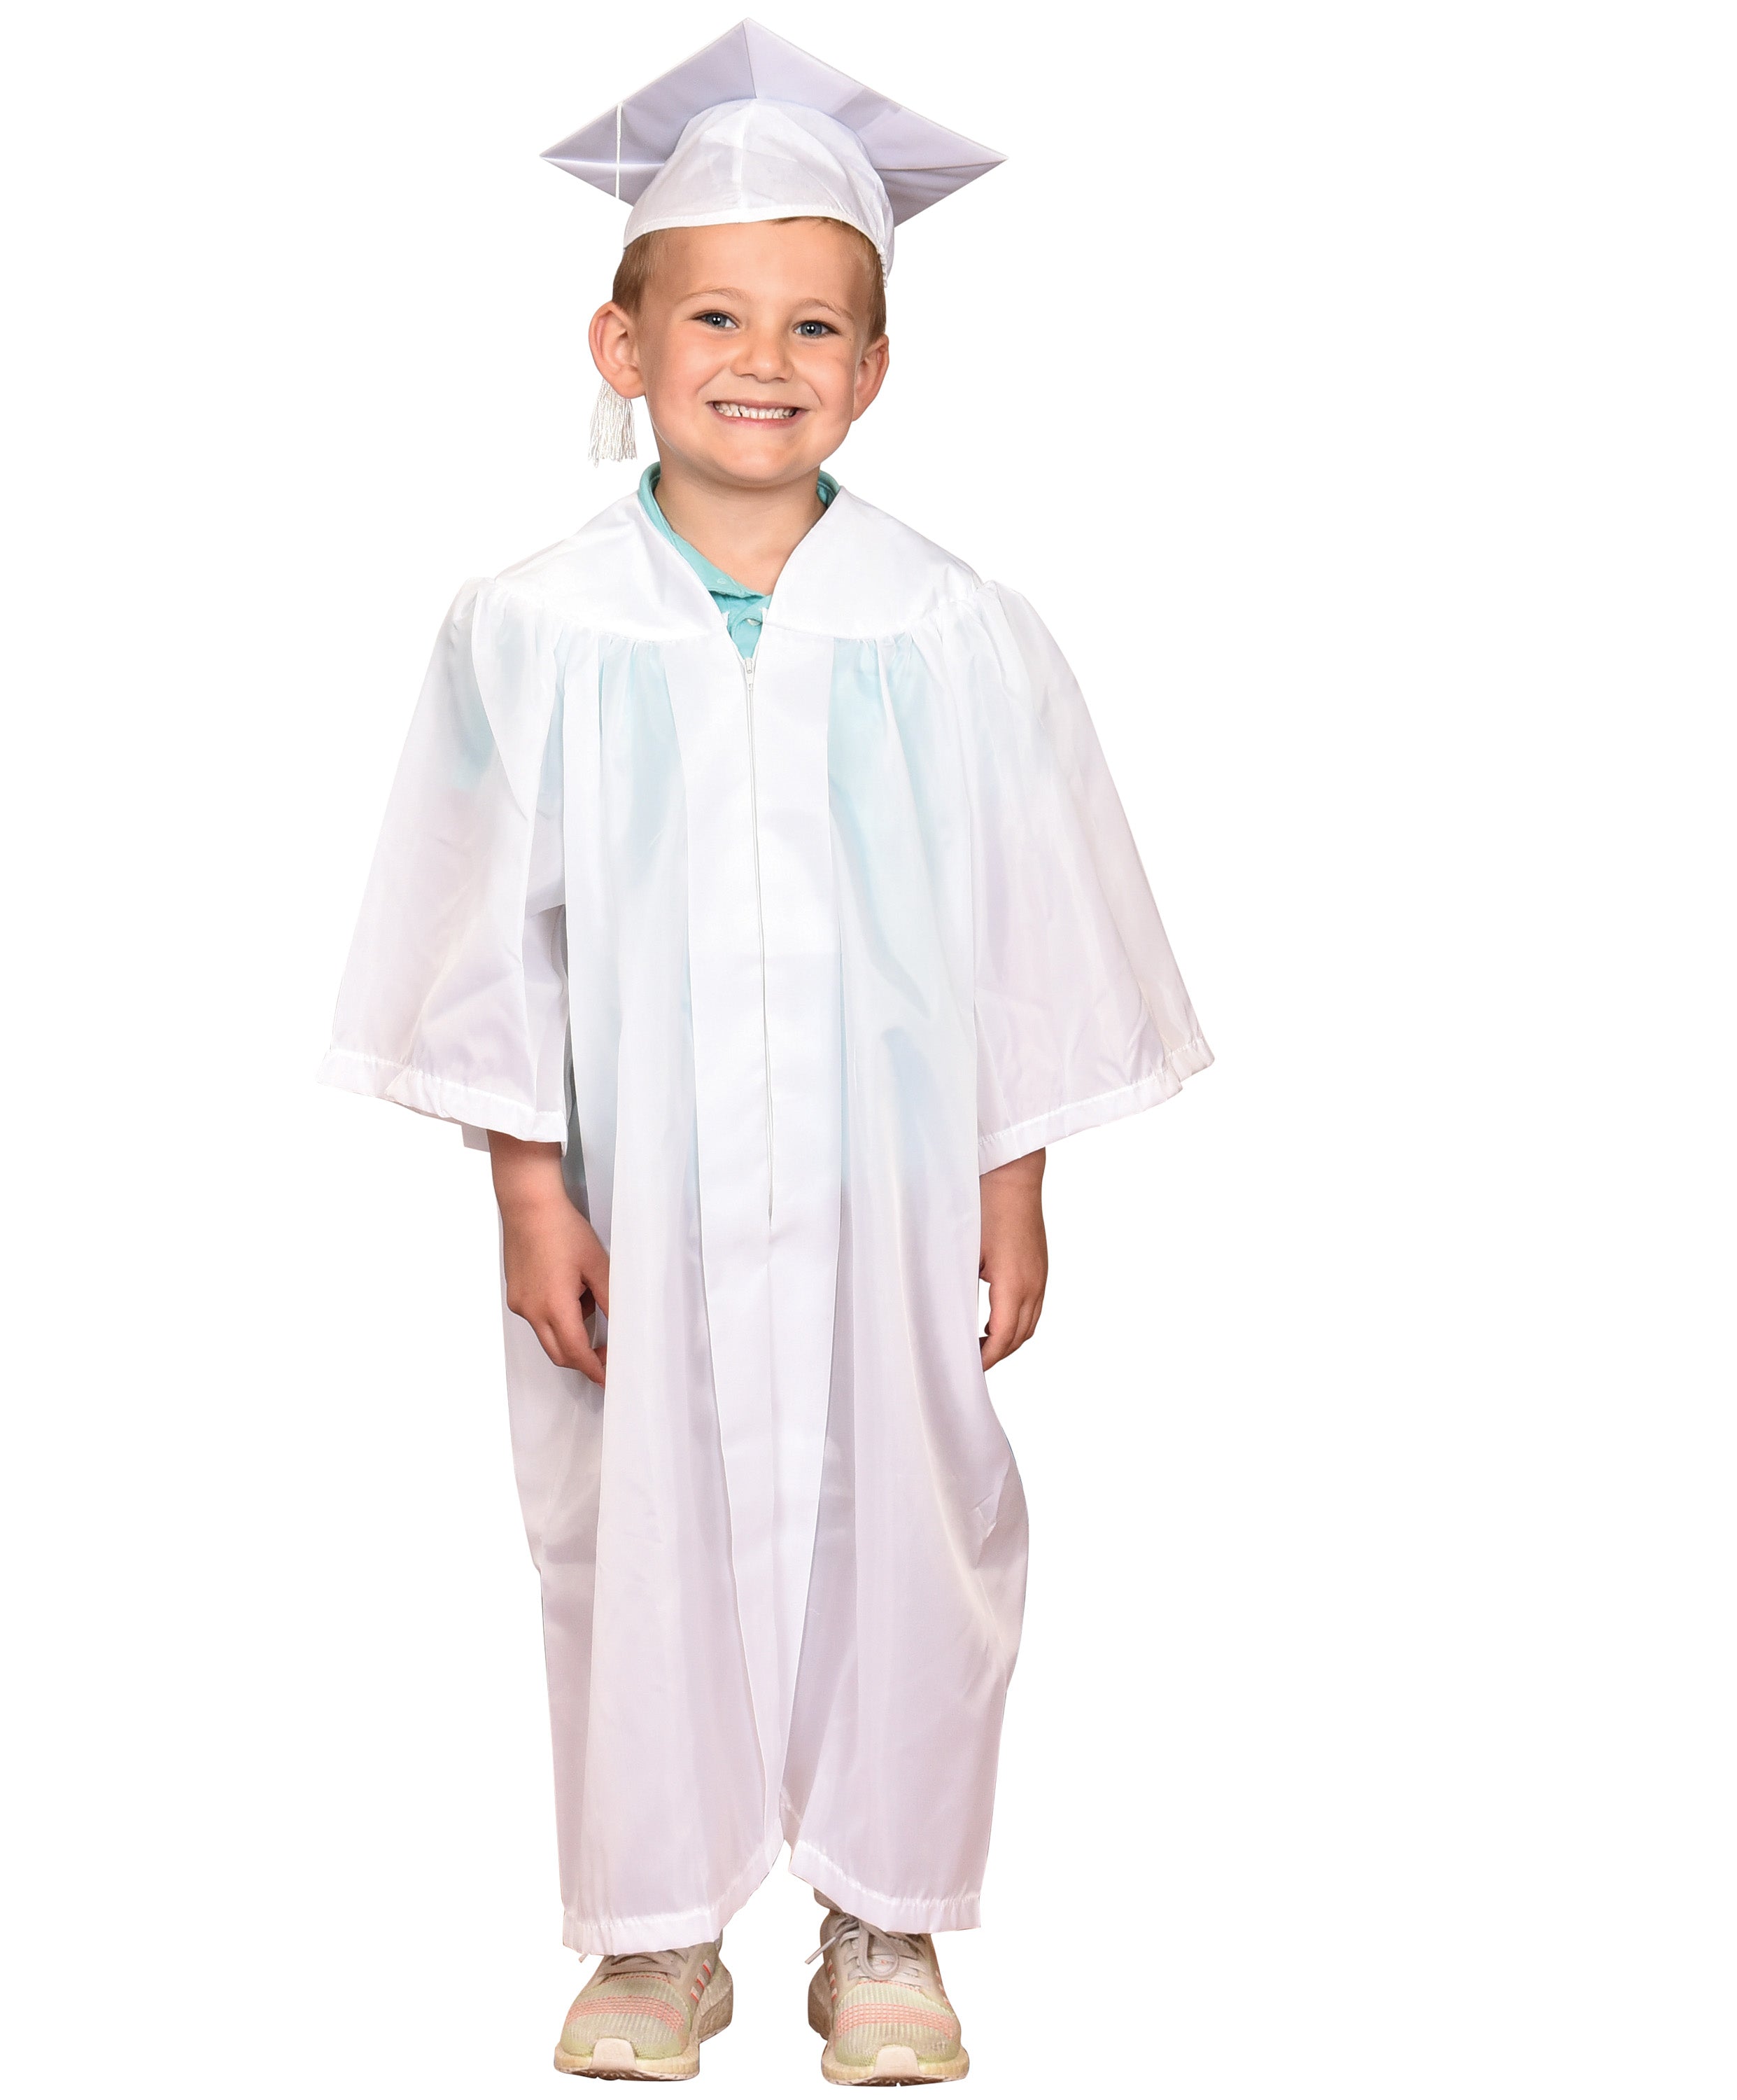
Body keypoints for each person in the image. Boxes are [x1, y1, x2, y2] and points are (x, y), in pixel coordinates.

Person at [322, 20, 1211, 2084]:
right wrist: (526, 1192)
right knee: (630, 1525)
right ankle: (656, 1935)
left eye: (817, 324)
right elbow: (479, 935)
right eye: (715, 314)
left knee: (913, 1512)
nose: (764, 359)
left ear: (875, 370)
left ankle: (886, 1914)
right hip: (635, 1190)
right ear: (621, 346)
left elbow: (1030, 922)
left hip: (892, 1186)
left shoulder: (951, 625)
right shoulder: (533, 624)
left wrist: (1014, 1179)